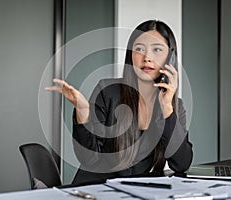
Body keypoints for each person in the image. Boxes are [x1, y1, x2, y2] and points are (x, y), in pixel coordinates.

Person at [46, 20, 193, 184]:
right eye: (139, 49)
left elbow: (181, 164)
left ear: (170, 58)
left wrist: (167, 108)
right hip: (96, 190)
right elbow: (89, 159)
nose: (147, 58)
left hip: (137, 193)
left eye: (157, 49)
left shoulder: (175, 107)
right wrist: (83, 112)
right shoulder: (107, 91)